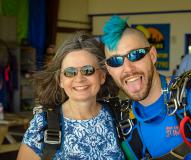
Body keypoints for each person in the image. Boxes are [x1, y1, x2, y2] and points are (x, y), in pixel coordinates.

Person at [101, 15, 191, 160]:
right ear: (109, 69)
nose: (128, 68)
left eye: (135, 55)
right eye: (115, 61)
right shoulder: (123, 121)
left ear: (152, 55)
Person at [17, 32, 124, 160]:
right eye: (70, 72)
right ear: (60, 80)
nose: (79, 79)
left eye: (87, 70)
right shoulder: (43, 124)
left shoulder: (120, 116)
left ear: (102, 76)